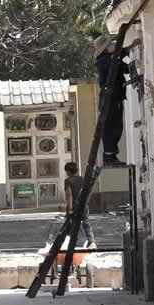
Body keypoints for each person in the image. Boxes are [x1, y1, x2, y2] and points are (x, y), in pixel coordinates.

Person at [95, 35, 129, 167]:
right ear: (105, 49)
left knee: (116, 127)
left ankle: (112, 154)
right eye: (110, 45)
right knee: (110, 127)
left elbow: (122, 67)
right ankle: (109, 156)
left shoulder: (111, 59)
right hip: (109, 98)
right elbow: (117, 60)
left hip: (115, 97)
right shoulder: (104, 60)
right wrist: (126, 50)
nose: (113, 46)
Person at [64, 162, 96, 248]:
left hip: (74, 206)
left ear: (68, 171)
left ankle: (71, 243)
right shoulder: (83, 179)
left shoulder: (68, 181)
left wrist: (70, 209)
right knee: (85, 223)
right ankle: (91, 241)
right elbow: (89, 191)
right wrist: (86, 202)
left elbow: (69, 195)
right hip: (84, 205)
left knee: (71, 225)